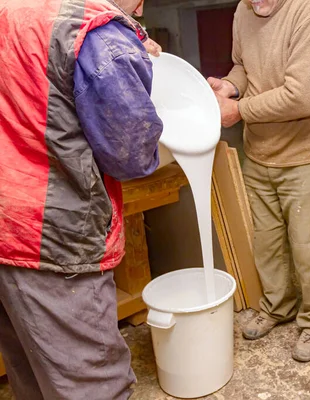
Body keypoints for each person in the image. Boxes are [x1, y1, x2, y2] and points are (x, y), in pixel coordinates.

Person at [0, 0, 163, 398]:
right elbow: (132, 156)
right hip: (52, 235)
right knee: (93, 385)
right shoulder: (98, 36)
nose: (139, 9)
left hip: (6, 222)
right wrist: (123, 57)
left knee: (32, 371)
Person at [208, 0, 310, 362]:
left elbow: (304, 97)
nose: (257, 3)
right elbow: (243, 67)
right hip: (260, 152)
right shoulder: (244, 10)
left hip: (306, 154)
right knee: (266, 243)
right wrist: (230, 87)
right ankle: (277, 306)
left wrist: (240, 110)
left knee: (309, 246)